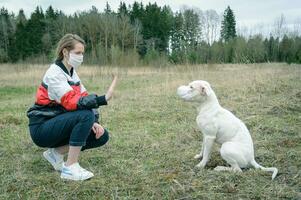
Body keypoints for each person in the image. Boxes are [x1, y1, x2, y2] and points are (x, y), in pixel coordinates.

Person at [27, 33, 117, 181]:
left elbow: (84, 96)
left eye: (82, 53)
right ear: (65, 52)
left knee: (101, 136)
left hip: (59, 123)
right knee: (85, 115)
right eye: (78, 53)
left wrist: (95, 122)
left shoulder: (72, 73)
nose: (81, 56)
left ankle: (55, 153)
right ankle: (70, 167)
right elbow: (72, 102)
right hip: (42, 129)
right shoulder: (54, 73)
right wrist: (103, 99)